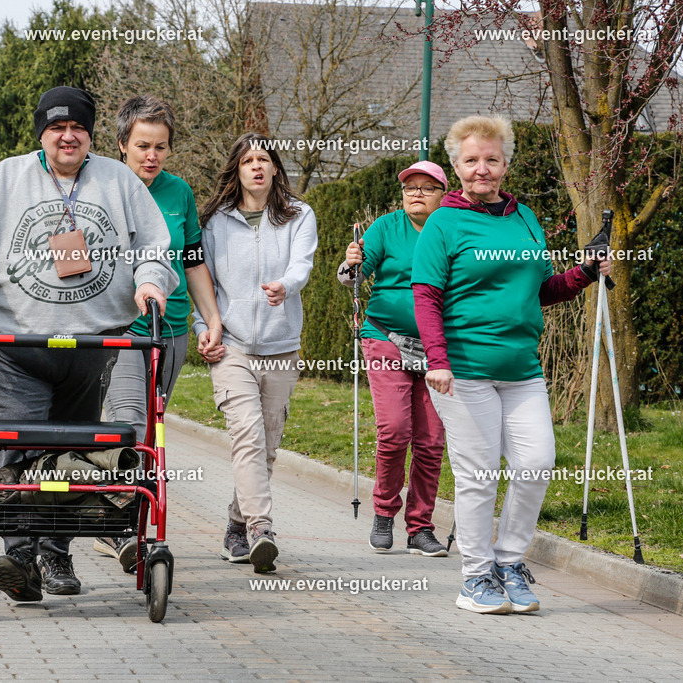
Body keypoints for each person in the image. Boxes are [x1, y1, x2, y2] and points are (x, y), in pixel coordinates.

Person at [0, 86, 177, 602]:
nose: (68, 137)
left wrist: (152, 281)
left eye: (78, 129)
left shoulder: (118, 180)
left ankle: (56, 552)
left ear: (90, 136)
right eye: (57, 129)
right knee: (21, 447)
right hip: (16, 345)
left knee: (70, 452)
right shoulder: (5, 177)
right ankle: (21, 559)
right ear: (42, 133)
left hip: (93, 347)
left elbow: (154, 244)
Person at [411, 116, 611, 614]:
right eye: (472, 160)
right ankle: (474, 577)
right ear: (456, 165)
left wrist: (584, 273)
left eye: (492, 160)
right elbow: (426, 295)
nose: (483, 169)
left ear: (505, 164)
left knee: (537, 462)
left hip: (522, 368)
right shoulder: (444, 222)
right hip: (462, 369)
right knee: (478, 474)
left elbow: (541, 290)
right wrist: (437, 360)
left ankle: (508, 562)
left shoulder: (525, 218)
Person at [94, 95, 223, 571]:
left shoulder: (179, 193)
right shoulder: (97, 185)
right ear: (122, 144)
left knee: (152, 427)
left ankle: (126, 525)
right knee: (130, 419)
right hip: (116, 328)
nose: (152, 156)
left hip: (168, 329)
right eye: (143, 145)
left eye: (161, 147)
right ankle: (119, 528)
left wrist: (210, 318)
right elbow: (69, 252)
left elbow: (191, 261)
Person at [193, 133, 318, 573]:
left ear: (275, 168)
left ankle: (234, 524)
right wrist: (201, 328)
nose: (257, 167)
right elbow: (200, 280)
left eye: (264, 159)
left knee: (266, 445)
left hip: (282, 345)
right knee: (247, 433)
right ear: (238, 169)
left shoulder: (299, 215)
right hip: (232, 346)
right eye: (248, 160)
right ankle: (260, 529)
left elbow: (302, 263)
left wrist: (287, 285)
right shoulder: (214, 221)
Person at [337, 161, 448, 557]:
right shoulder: (385, 227)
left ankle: (420, 528)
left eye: (426, 187)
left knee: (432, 440)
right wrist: (351, 263)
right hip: (385, 337)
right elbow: (354, 277)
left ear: (443, 193)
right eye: (409, 188)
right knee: (396, 429)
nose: (416, 193)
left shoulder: (452, 228)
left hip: (438, 346)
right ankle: (384, 513)